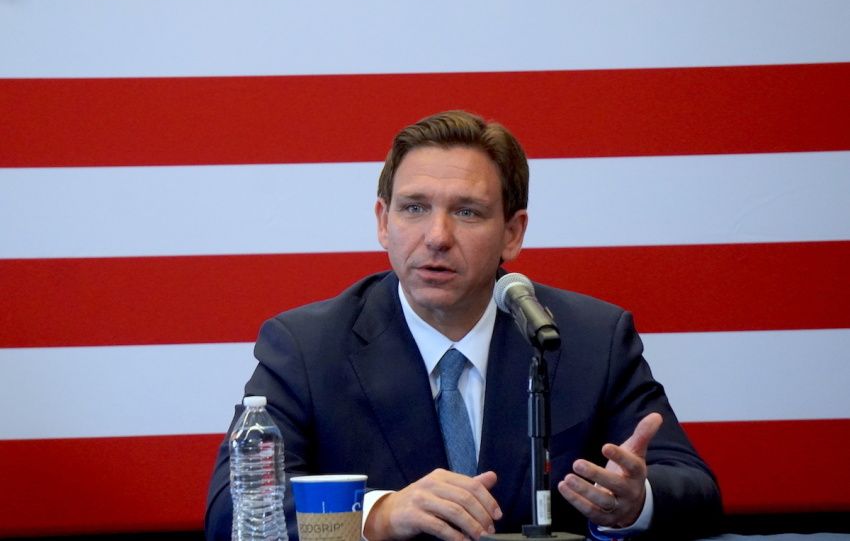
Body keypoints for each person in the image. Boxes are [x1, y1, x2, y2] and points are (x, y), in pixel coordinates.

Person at [205, 110, 723, 541]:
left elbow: (696, 491)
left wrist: (636, 502)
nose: (437, 236)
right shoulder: (306, 346)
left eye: (468, 213)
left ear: (512, 233)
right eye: (414, 208)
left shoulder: (589, 338)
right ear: (384, 222)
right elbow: (234, 511)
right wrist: (380, 515)